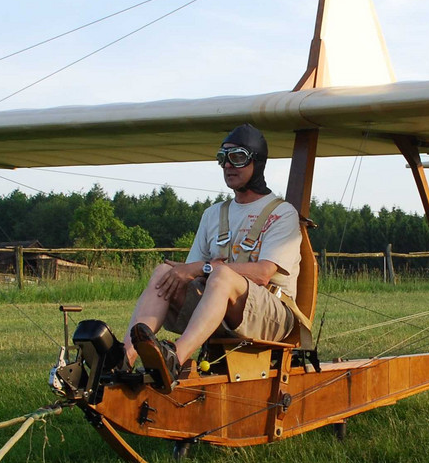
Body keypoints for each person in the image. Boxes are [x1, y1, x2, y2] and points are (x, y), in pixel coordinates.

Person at [124, 124, 302, 392]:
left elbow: (264, 273)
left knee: (221, 275)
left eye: (238, 158)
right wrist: (190, 271)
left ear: (257, 162)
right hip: (218, 309)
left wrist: (204, 267)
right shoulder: (212, 214)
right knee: (164, 273)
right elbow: (187, 273)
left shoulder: (282, 213)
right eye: (223, 158)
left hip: (272, 316)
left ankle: (174, 359)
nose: (228, 166)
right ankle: (123, 359)